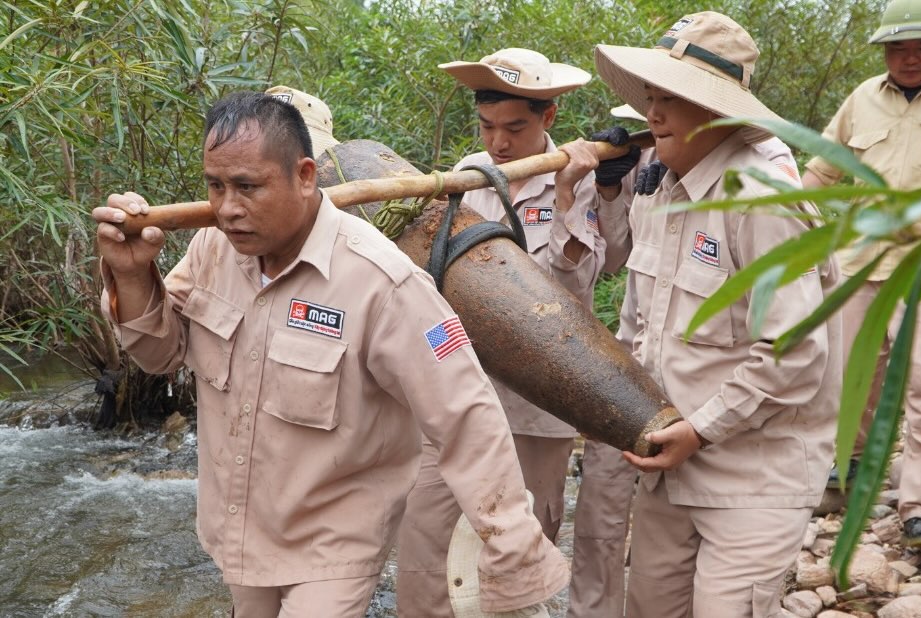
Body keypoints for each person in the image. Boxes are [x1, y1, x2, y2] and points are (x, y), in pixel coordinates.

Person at [92, 90, 570, 617]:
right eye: (216, 185)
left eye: (248, 187)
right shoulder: (212, 249)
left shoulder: (382, 282)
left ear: (304, 175)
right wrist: (134, 274)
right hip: (240, 530)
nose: (227, 208)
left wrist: (511, 549)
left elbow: (465, 414)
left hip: (333, 546)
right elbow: (162, 356)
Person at [561, 11, 843, 616]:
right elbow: (639, 329)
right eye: (653, 97)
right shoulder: (661, 192)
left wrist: (700, 429)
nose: (654, 114)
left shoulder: (762, 201)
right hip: (672, 464)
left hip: (753, 477)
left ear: (719, 112)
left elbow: (795, 354)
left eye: (674, 99)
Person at [394, 47, 641, 617]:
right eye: (487, 127)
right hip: (461, 391)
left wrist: (566, 196)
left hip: (544, 398)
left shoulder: (584, 176)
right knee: (426, 531)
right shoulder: (466, 174)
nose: (498, 142)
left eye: (515, 127)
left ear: (549, 117)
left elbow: (577, 286)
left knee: (522, 542)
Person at [802, 0, 921, 549]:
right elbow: (820, 169)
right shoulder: (862, 99)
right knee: (849, 374)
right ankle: (847, 469)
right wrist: (797, 230)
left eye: (920, 46)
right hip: (858, 261)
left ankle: (920, 507)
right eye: (896, 48)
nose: (907, 58)